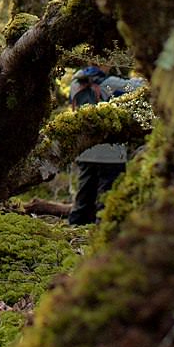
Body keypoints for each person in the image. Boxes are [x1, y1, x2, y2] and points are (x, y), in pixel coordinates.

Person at [65, 63, 145, 226]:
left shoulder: (75, 83)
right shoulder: (111, 83)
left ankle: (74, 230)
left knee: (84, 197)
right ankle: (103, 233)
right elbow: (140, 87)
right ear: (103, 63)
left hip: (85, 150)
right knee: (108, 200)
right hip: (112, 154)